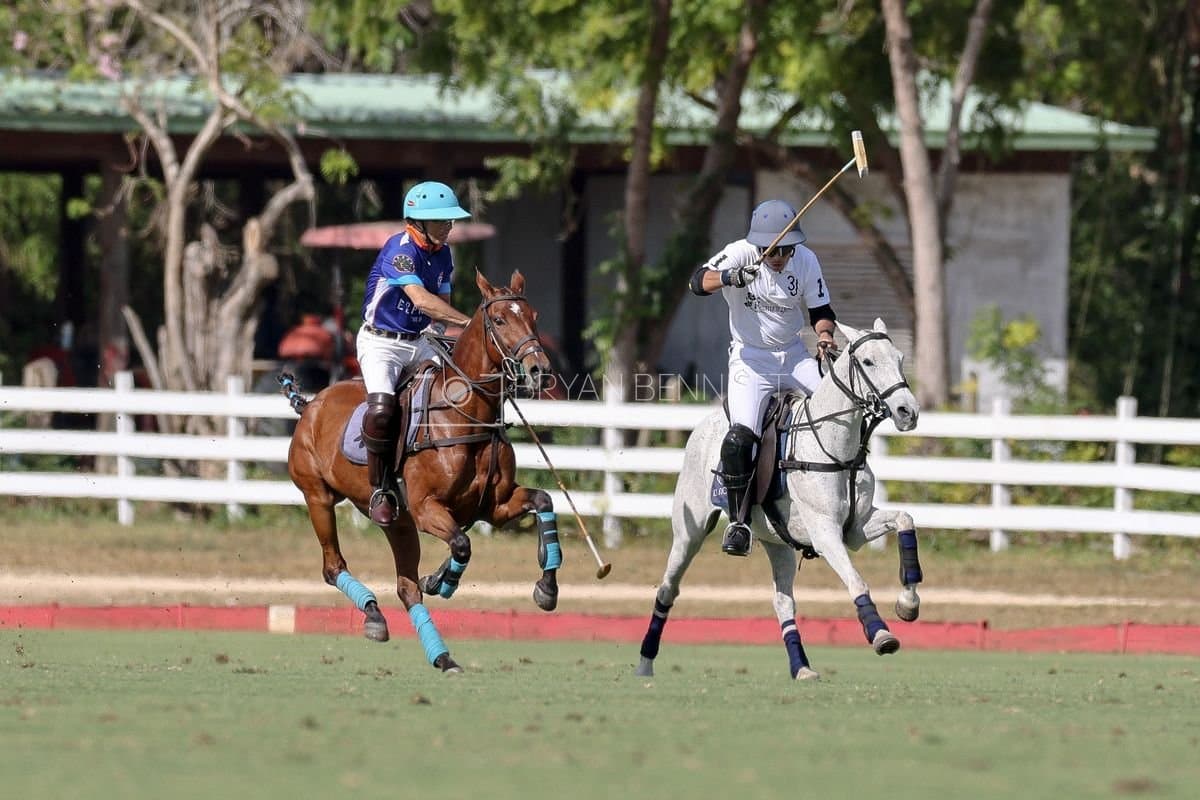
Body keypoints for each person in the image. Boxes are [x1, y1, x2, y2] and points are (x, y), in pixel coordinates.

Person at [688, 199, 838, 557]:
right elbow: (697, 281)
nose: (779, 256)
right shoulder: (739, 253)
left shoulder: (806, 261)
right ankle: (739, 523)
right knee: (741, 438)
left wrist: (825, 336)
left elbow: (821, 310)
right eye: (772, 250)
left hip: (794, 356)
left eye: (786, 249)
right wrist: (729, 277)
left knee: (836, 412)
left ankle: (828, 509)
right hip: (750, 361)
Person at [357, 181, 474, 526]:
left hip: (420, 340)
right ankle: (381, 488)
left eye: (451, 221)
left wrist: (440, 333)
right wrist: (472, 324)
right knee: (381, 410)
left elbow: (443, 303)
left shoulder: (444, 254)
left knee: (460, 392)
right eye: (442, 221)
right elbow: (422, 300)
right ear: (417, 222)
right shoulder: (400, 250)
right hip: (382, 343)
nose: (449, 227)